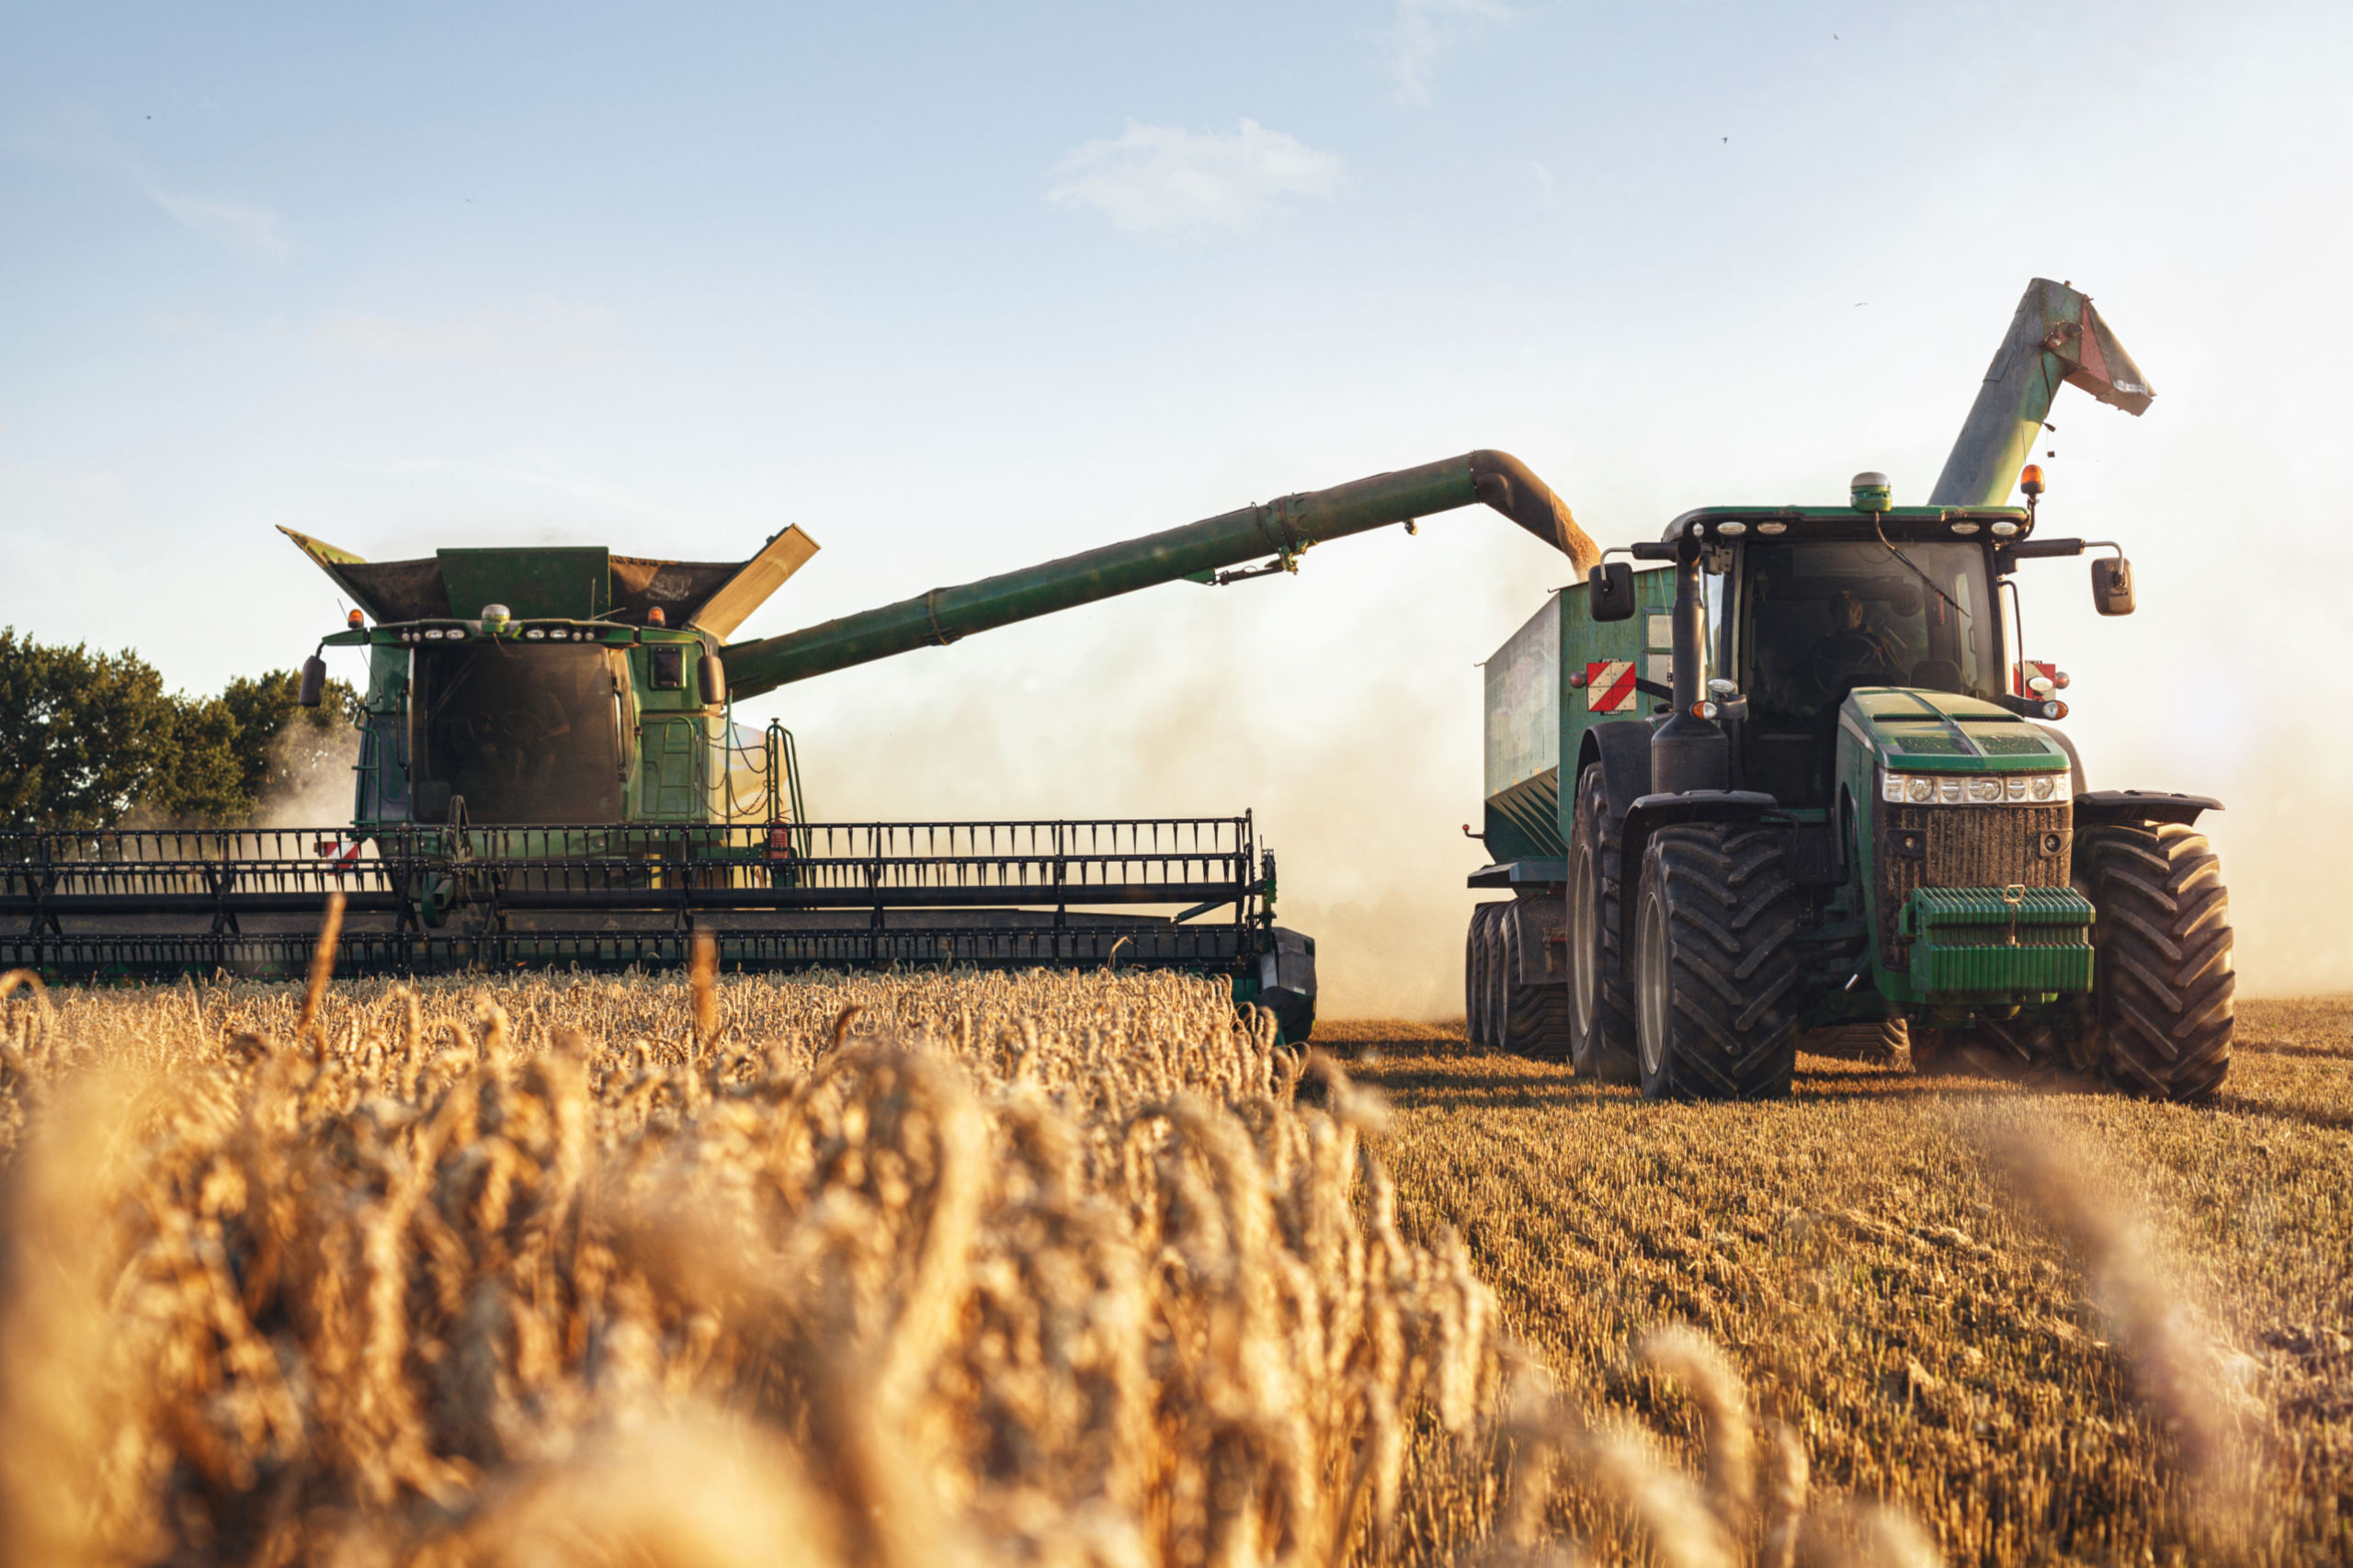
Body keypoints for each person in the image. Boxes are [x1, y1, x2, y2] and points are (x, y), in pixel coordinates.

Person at [1802, 588, 1902, 706]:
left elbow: (1898, 681)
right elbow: (1806, 680)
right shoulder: (1823, 649)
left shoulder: (1878, 644)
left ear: (1858, 614)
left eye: (1844, 615)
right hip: (1834, 707)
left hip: (1873, 705)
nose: (1838, 620)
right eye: (1835, 615)